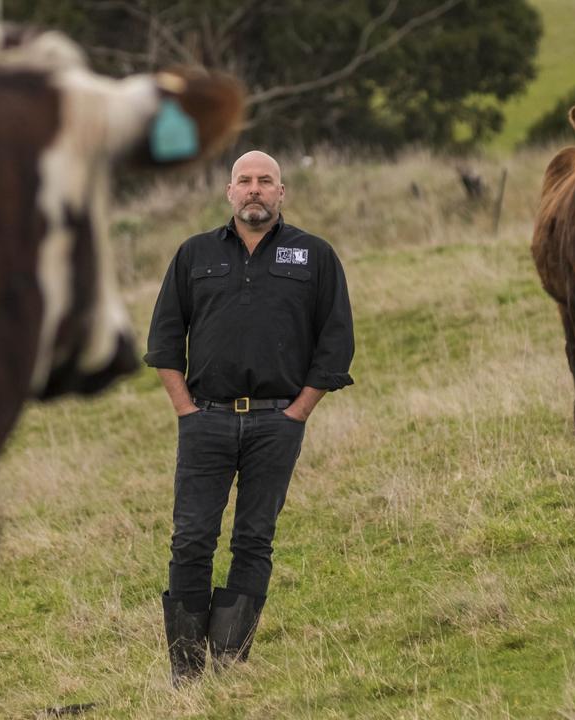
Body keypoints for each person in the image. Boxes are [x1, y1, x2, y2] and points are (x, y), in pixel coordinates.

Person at [145, 150, 355, 684]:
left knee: (254, 539)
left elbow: (335, 344)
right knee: (191, 538)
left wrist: (298, 413)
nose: (255, 189)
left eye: (266, 181)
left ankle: (227, 664)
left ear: (281, 192)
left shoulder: (315, 257)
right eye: (245, 181)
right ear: (229, 192)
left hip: (275, 424)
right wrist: (185, 411)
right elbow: (164, 340)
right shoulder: (194, 255)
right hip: (206, 420)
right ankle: (186, 672)